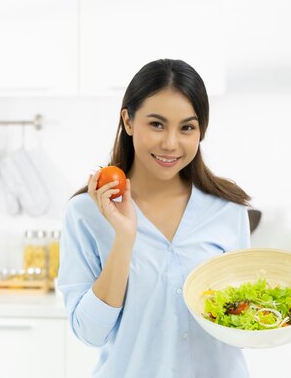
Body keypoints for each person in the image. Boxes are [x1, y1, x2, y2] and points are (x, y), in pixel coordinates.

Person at [57, 59, 252, 378]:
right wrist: (124, 239)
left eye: (187, 127)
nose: (171, 143)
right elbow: (90, 333)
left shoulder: (227, 210)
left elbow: (240, 321)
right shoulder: (85, 214)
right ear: (129, 121)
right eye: (157, 124)